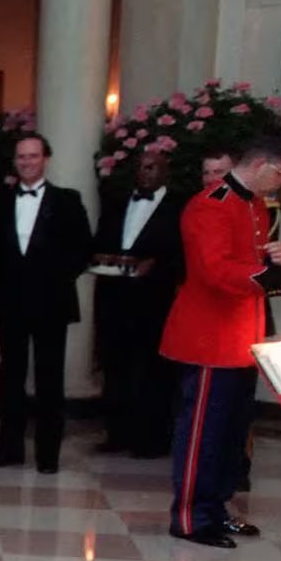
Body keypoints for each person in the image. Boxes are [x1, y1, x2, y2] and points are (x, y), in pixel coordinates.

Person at [160, 129, 281, 548]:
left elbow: (247, 260)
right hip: (209, 339)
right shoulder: (209, 205)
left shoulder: (255, 204)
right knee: (203, 432)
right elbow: (215, 272)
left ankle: (216, 507)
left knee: (232, 434)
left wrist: (275, 258)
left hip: (242, 337)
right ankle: (189, 517)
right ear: (260, 165)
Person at [0, 133, 93, 474]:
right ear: (14, 161)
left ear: (45, 158)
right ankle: (9, 450)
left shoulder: (67, 200)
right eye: (21, 157)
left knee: (49, 380)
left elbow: (82, 251)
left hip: (51, 304)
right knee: (10, 379)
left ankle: (48, 456)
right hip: (11, 303)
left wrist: (53, 279)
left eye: (33, 156)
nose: (27, 162)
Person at [93, 148, 184, 458]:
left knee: (153, 370)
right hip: (114, 296)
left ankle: (151, 439)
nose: (144, 172)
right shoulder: (117, 202)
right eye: (141, 167)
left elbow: (183, 256)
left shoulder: (178, 208)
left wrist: (155, 264)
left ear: (164, 172)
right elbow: (101, 241)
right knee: (115, 365)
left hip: (154, 300)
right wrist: (104, 256)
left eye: (151, 168)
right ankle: (117, 433)